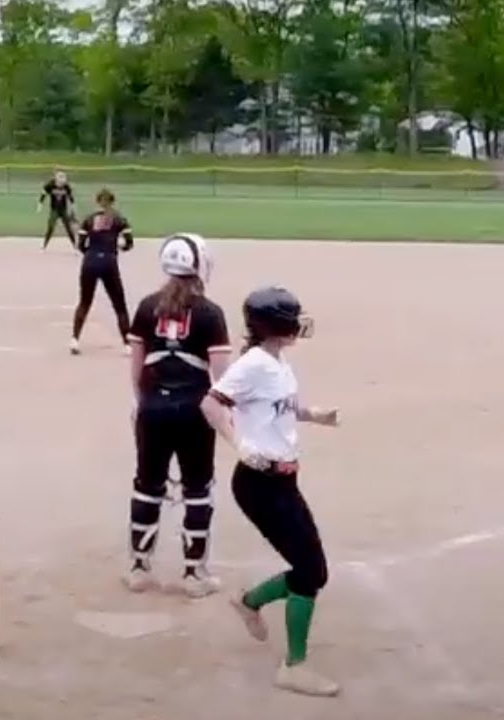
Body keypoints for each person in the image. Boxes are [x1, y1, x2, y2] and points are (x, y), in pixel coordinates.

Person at [199, 286, 342, 697]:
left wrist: (313, 415)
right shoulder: (254, 364)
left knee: (309, 568)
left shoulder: (277, 363)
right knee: (311, 571)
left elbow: (279, 405)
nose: (299, 323)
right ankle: (294, 666)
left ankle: (248, 602)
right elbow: (212, 405)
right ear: (274, 325)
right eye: (292, 317)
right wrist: (239, 445)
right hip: (260, 484)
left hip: (283, 480)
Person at [122, 233, 233, 598]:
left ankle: (139, 567)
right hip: (194, 411)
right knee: (198, 488)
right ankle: (193, 574)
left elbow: (137, 365)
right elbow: (221, 375)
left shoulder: (146, 306)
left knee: (147, 485)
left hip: (153, 409)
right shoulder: (210, 313)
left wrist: (143, 402)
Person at [69, 188, 134, 355]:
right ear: (112, 202)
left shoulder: (89, 219)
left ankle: (75, 340)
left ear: (97, 201)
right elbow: (128, 244)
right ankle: (127, 344)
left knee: (84, 302)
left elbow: (81, 245)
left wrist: (91, 253)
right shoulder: (119, 219)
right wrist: (116, 246)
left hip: (90, 261)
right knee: (119, 304)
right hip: (109, 262)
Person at [38, 169, 76, 250]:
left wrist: (73, 207)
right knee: (51, 226)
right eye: (60, 181)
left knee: (68, 227)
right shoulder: (50, 185)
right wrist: (40, 204)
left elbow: (71, 197)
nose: (61, 184)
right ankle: (44, 245)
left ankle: (75, 245)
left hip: (63, 210)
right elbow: (43, 193)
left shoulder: (66, 186)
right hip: (54, 209)